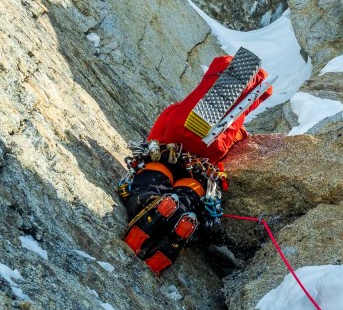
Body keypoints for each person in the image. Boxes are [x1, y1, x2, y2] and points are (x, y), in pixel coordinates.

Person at [117, 49, 272, 275]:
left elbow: (160, 129)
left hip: (171, 147)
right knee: (190, 196)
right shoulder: (237, 130)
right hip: (202, 167)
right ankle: (179, 216)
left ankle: (154, 205)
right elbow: (237, 143)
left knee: (153, 180)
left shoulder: (175, 109)